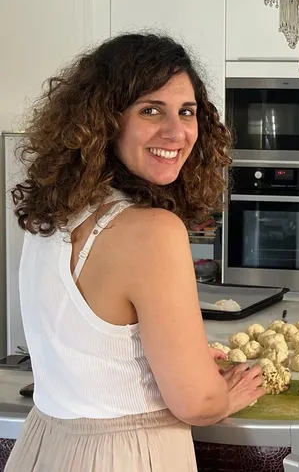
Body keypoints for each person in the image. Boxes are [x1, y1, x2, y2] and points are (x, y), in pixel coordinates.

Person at [7, 33, 266, 471]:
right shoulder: (153, 231)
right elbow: (197, 403)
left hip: (43, 446)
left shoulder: (52, 217)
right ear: (105, 120)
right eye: (151, 110)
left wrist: (177, 359)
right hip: (125, 455)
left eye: (187, 112)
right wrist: (225, 395)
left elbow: (85, 351)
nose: (176, 132)